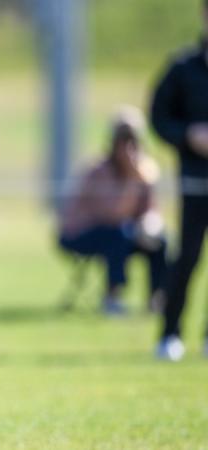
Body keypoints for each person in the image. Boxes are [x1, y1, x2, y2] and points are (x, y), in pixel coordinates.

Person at [57, 106, 167, 316]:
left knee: (160, 240)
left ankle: (157, 298)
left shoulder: (146, 170)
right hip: (80, 234)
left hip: (123, 233)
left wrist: (150, 224)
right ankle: (112, 297)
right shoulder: (99, 171)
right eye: (123, 141)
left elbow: (151, 210)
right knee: (117, 236)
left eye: (133, 141)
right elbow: (112, 215)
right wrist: (132, 178)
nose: (129, 148)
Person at [150, 0, 208, 361]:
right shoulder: (182, 67)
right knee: (186, 258)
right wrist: (188, 135)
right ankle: (170, 334)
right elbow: (159, 117)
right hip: (196, 183)